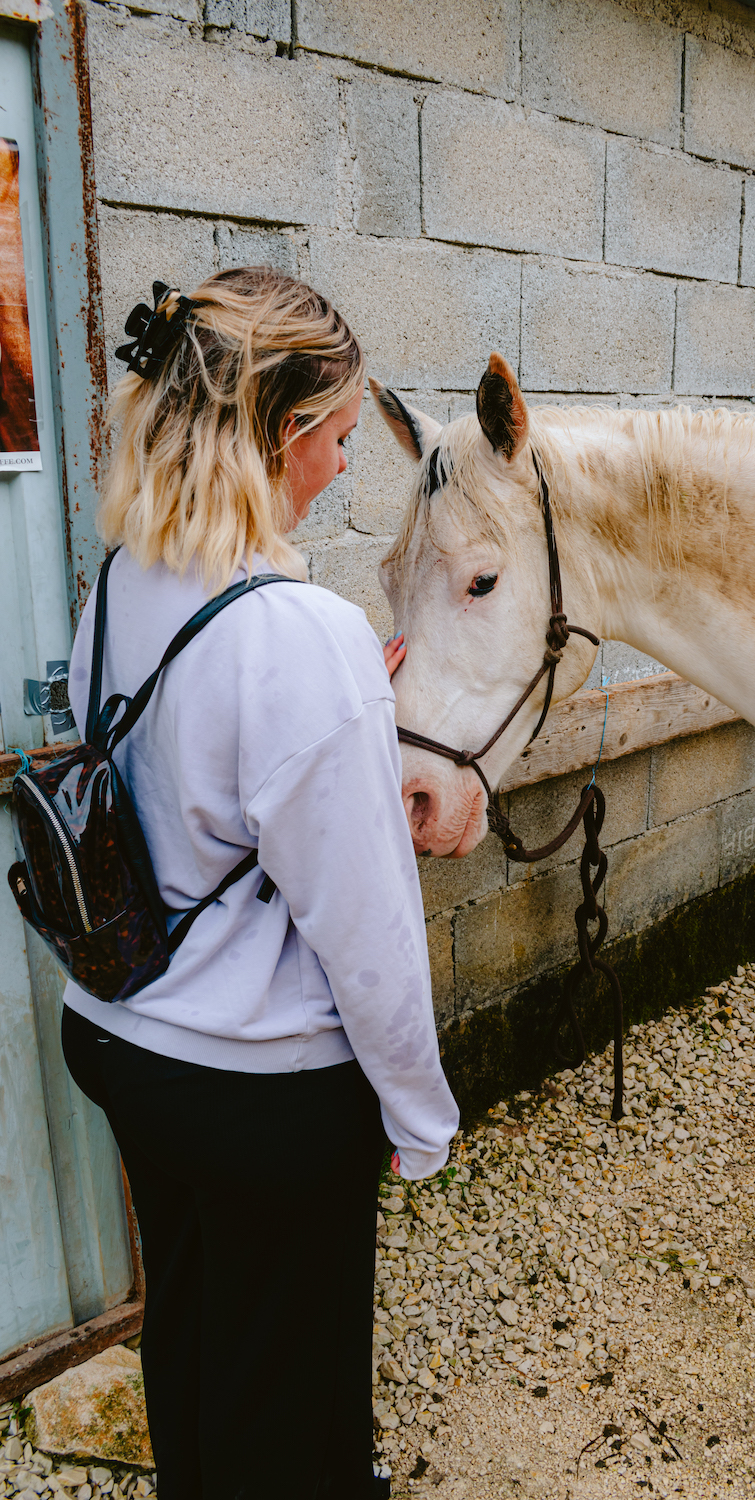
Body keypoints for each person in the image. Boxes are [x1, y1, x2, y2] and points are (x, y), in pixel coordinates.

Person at [60, 267, 458, 1500]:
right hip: (262, 1091)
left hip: (121, 1044)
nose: (346, 465)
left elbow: (165, 789)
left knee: (192, 1332)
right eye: (340, 438)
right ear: (285, 434)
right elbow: (369, 934)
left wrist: (345, 722)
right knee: (294, 1406)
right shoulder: (303, 634)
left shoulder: (120, 583)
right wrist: (418, 1119)